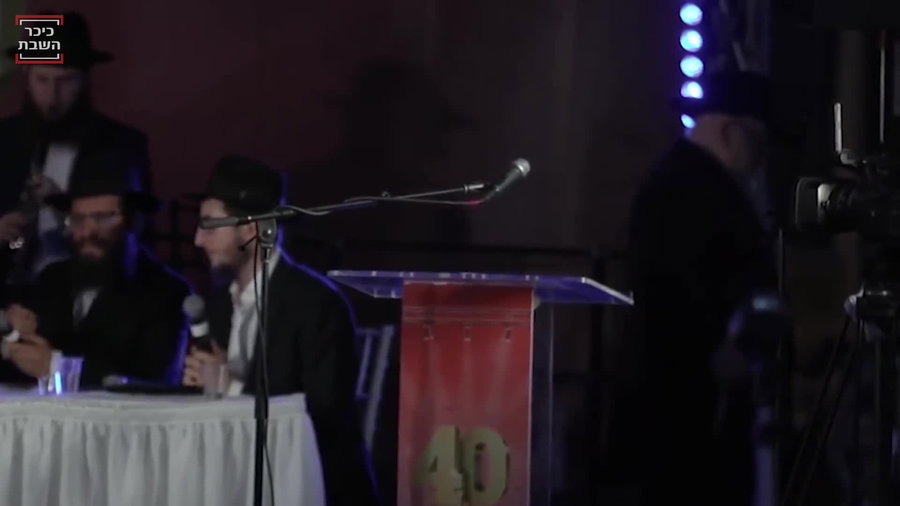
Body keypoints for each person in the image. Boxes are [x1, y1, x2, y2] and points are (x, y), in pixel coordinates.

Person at [183, 155, 379, 505]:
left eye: (210, 226)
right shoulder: (215, 303)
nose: (198, 239)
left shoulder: (317, 303)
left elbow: (324, 413)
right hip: (235, 478)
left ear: (250, 230)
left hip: (308, 485)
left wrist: (231, 386)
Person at [626, 70, 779, 505]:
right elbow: (690, 291)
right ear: (732, 133)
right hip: (695, 400)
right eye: (759, 143)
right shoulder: (697, 189)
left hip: (686, 396)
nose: (762, 158)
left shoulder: (682, 180)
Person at [0, 148, 188, 387]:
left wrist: (58, 367)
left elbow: (155, 381)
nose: (88, 232)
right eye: (78, 219)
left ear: (132, 222)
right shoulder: (52, 278)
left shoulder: (167, 291)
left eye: (102, 218)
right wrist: (14, 336)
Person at [0, 11, 150, 287]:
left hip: (85, 294)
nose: (52, 97)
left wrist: (69, 213)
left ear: (85, 79)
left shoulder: (120, 146)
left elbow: (134, 235)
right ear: (26, 75)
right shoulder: (2, 139)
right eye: (42, 80)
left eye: (65, 81)